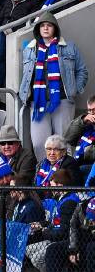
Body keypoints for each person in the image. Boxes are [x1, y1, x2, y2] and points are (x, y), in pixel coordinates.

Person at [19, 12, 89, 161]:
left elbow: (82, 70)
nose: (45, 28)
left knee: (64, 141)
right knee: (39, 143)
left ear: (55, 29)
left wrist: (75, 89)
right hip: (38, 103)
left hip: (62, 100)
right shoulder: (30, 49)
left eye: (49, 25)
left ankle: (66, 176)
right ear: (37, 29)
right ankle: (45, 177)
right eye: (42, 26)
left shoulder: (69, 47)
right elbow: (26, 75)